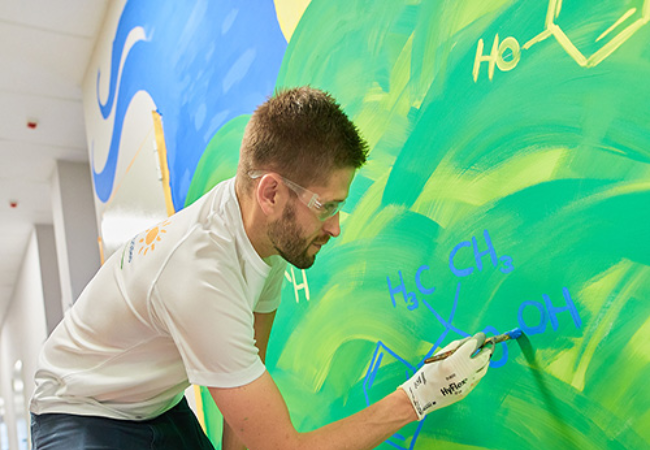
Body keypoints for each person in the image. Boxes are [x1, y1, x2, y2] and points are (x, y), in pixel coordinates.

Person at [30, 86, 493, 450]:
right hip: (80, 410)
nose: (335, 228)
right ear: (271, 193)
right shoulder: (201, 279)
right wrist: (419, 397)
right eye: (327, 206)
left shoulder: (261, 234)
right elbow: (282, 446)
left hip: (152, 403)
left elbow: (249, 386)